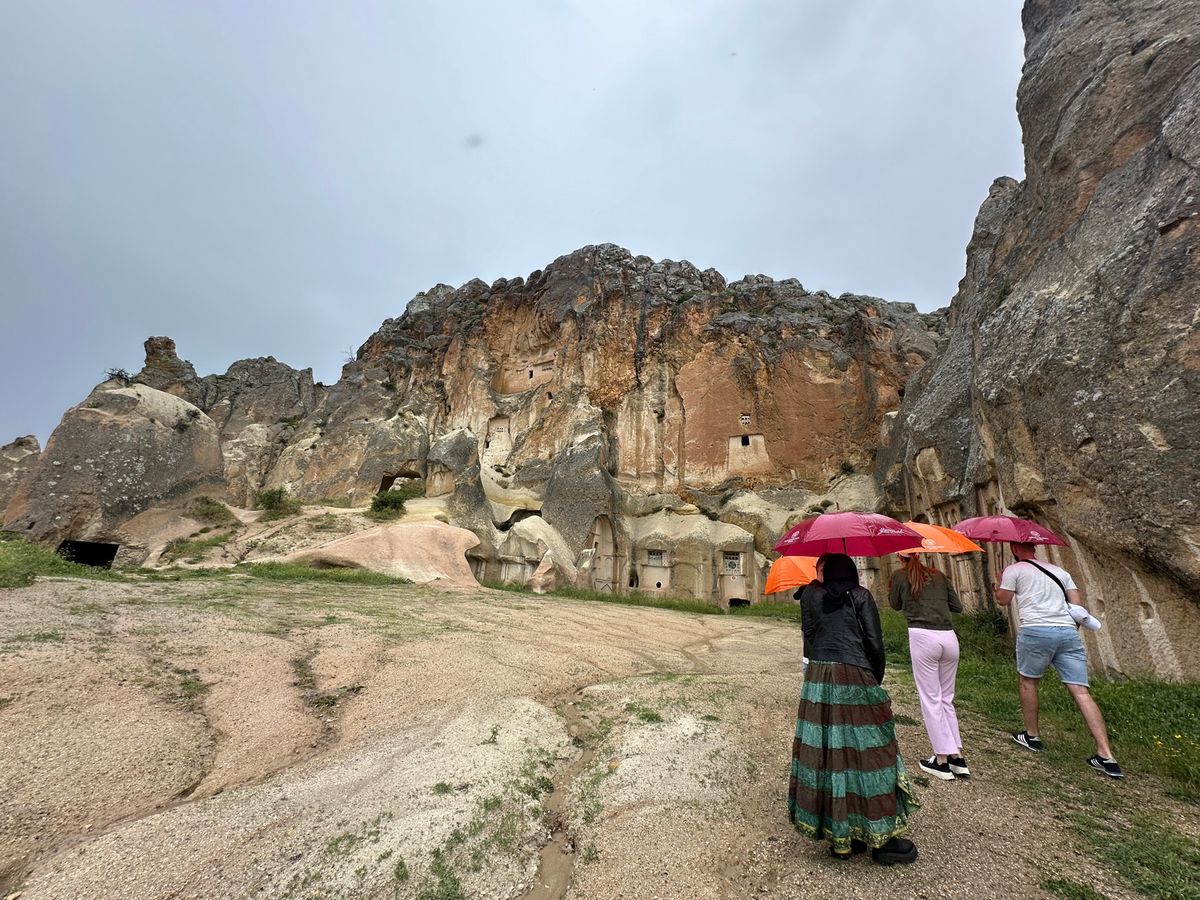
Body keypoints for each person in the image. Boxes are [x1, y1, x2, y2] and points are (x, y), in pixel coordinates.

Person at [789, 553, 919, 865]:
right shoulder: (860, 595)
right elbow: (874, 642)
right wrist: (874, 679)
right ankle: (881, 839)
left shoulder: (809, 596)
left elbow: (809, 635)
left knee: (829, 753)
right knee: (871, 752)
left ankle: (841, 835)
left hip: (818, 678)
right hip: (854, 673)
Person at [995, 542, 1123, 779]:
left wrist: (999, 580)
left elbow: (1003, 600)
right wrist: (1067, 629)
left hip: (1036, 630)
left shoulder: (1015, 570)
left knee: (1029, 682)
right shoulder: (1060, 572)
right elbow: (1077, 607)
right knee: (1081, 691)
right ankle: (1106, 754)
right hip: (1067, 632)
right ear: (1034, 546)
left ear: (1014, 548)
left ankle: (1032, 735)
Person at [888, 554, 969, 781]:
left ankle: (941, 760)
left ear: (899, 555)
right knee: (946, 698)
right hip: (948, 637)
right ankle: (957, 757)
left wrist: (895, 588)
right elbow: (957, 606)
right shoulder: (939, 575)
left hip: (922, 635)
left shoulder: (899, 576)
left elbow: (894, 605)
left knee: (931, 698)